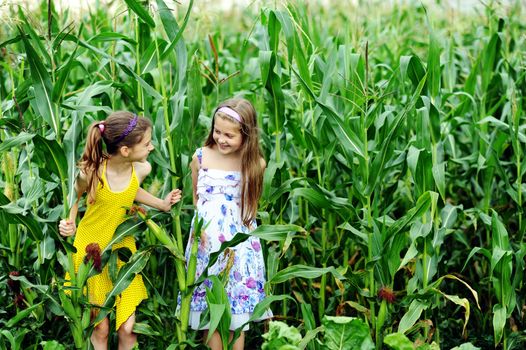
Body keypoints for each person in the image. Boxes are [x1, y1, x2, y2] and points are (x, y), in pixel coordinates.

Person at [58, 111, 182, 350]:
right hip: (91, 253)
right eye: (146, 144)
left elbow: (131, 191)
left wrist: (162, 204)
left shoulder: (140, 170)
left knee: (128, 327)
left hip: (123, 253)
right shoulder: (92, 172)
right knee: (101, 328)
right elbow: (74, 196)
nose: (151, 148)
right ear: (125, 151)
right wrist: (69, 222)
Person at [186, 98, 272, 350]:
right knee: (212, 309)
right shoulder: (200, 157)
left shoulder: (256, 164)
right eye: (217, 132)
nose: (221, 139)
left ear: (246, 136)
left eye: (229, 135)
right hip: (206, 241)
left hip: (239, 244)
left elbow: (251, 205)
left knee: (236, 313)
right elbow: (197, 198)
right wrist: (200, 231)